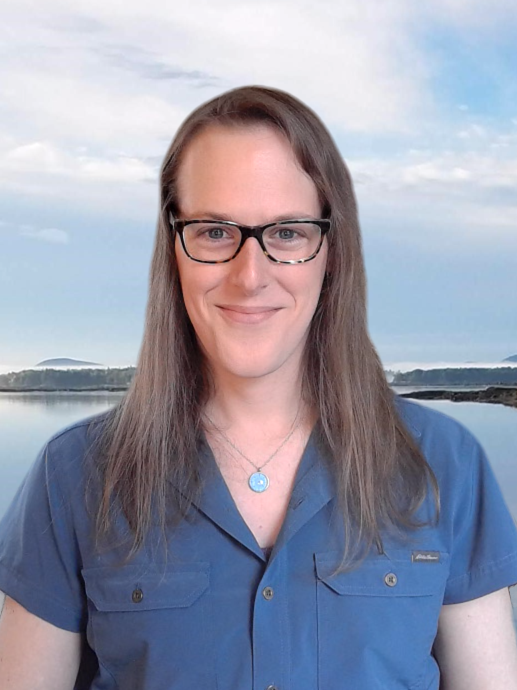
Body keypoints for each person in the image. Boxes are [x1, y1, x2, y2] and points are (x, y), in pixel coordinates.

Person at [0, 85, 516, 690]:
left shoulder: (445, 465)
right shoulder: (73, 476)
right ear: (174, 250)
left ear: (332, 253)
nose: (251, 276)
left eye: (289, 233)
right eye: (215, 231)